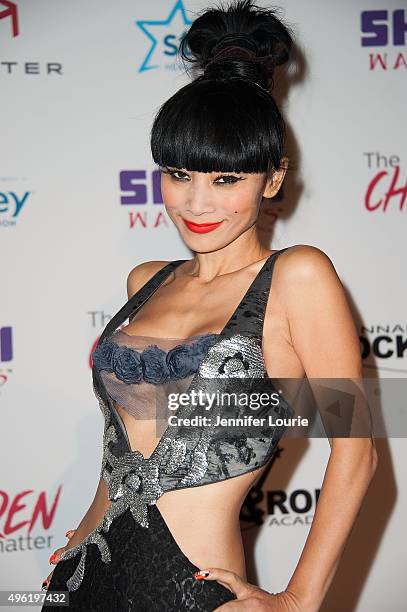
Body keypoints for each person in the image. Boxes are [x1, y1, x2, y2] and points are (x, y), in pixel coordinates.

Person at [41, 1, 378, 610]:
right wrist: (79, 545)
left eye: (226, 180)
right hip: (81, 579)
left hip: (191, 589)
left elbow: (356, 450)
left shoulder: (297, 278)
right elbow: (125, 447)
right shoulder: (146, 280)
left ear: (272, 180)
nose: (196, 203)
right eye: (178, 173)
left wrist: (297, 600)